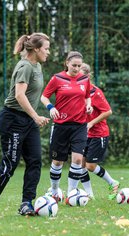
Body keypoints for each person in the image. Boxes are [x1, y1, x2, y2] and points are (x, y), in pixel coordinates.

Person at [0, 33, 50, 217]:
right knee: (10, 163)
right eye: (46, 48)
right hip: (13, 120)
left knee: (35, 161)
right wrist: (36, 116)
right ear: (36, 49)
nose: (48, 52)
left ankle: (26, 203)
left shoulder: (37, 66)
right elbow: (19, 95)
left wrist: (34, 117)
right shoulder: (25, 66)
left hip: (28, 121)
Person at [40, 51, 93, 200]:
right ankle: (55, 191)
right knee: (57, 161)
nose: (76, 68)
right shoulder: (57, 78)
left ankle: (71, 193)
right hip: (61, 125)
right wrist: (51, 108)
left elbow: (87, 96)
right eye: (74, 65)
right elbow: (44, 96)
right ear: (67, 63)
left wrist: (89, 106)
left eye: (79, 65)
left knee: (77, 159)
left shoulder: (84, 79)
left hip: (80, 125)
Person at [78, 63, 120, 200]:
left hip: (98, 134)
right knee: (80, 165)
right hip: (84, 133)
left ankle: (112, 182)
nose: (79, 78)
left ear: (88, 76)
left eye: (82, 76)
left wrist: (91, 123)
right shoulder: (78, 92)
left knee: (90, 166)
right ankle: (89, 194)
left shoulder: (96, 92)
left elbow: (108, 111)